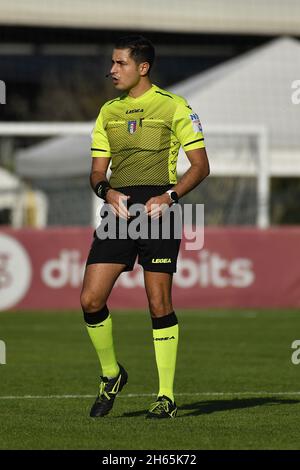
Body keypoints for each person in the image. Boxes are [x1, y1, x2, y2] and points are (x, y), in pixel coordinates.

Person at [80, 34, 209, 419]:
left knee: (158, 304)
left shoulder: (174, 107)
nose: (111, 70)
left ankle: (165, 395)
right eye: (112, 63)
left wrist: (169, 198)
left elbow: (201, 166)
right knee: (90, 299)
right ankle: (111, 374)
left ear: (143, 67)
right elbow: (96, 173)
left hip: (160, 211)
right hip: (118, 213)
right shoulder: (108, 112)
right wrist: (107, 192)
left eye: (119, 63)